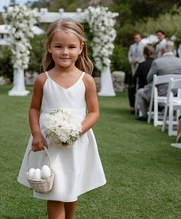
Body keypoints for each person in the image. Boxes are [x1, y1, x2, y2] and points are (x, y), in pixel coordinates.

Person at [17, 18, 106, 219]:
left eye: (71, 47)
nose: (65, 52)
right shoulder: (43, 80)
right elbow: (33, 109)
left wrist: (77, 131)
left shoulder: (86, 80)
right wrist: (36, 134)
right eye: (58, 46)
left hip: (76, 142)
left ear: (80, 48)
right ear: (49, 47)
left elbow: (94, 112)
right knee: (55, 190)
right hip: (49, 143)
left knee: (70, 188)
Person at [136, 40, 181, 121]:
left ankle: (144, 115)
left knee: (140, 92)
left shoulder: (157, 62)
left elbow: (149, 78)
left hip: (160, 93)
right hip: (177, 94)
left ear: (163, 50)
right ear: (174, 50)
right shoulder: (180, 62)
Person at [128, 45, 155, 114]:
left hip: (144, 88)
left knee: (131, 87)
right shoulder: (158, 63)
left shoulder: (142, 65)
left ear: (145, 55)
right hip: (157, 89)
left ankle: (135, 107)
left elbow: (135, 78)